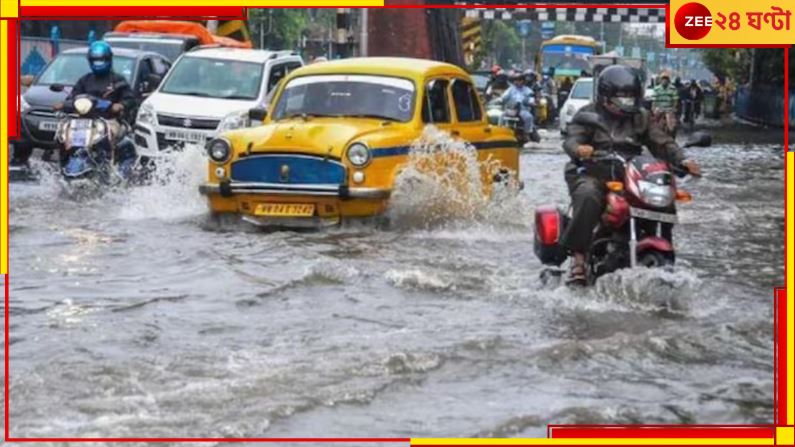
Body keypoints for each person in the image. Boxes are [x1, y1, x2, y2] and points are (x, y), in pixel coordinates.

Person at [560, 65, 701, 284]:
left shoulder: (641, 117)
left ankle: (664, 244)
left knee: (664, 196)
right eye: (623, 98)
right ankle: (579, 257)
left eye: (632, 98)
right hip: (592, 170)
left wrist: (682, 160)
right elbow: (571, 139)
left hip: (629, 173)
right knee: (588, 195)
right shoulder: (588, 114)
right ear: (606, 97)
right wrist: (579, 149)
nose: (629, 103)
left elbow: (662, 142)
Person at [497, 71, 536, 140]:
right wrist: (500, 100)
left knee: (529, 117)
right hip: (511, 109)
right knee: (501, 116)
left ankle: (526, 133)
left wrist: (531, 102)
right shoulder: (510, 89)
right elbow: (504, 96)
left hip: (522, 110)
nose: (516, 82)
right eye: (515, 80)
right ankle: (499, 131)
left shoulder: (528, 90)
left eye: (518, 80)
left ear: (523, 81)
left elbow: (531, 99)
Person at [651, 71, 679, 136]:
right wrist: (653, 108)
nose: (664, 81)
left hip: (669, 108)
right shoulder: (656, 89)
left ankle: (671, 136)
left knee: (671, 126)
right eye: (663, 79)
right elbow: (654, 100)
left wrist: (674, 108)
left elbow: (675, 100)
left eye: (666, 79)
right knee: (653, 123)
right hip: (659, 108)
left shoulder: (672, 88)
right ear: (660, 80)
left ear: (668, 80)